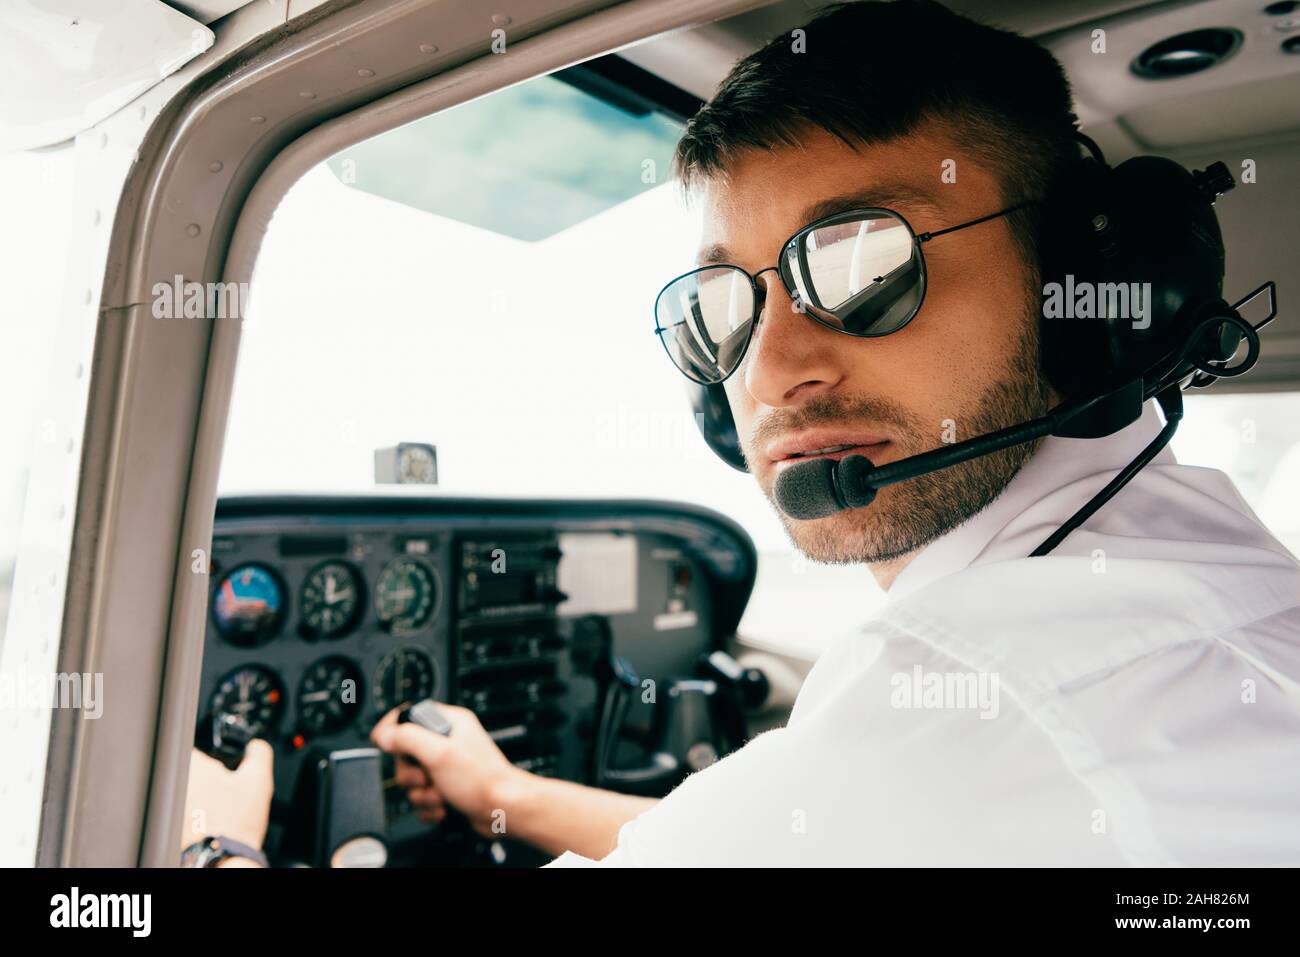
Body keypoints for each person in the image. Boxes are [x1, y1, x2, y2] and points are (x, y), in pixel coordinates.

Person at [183, 0, 1300, 866]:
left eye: (864, 265)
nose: (769, 371)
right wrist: (506, 796)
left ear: (1080, 281)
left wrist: (214, 843)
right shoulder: (1198, 572)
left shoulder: (994, 697)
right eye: (726, 304)